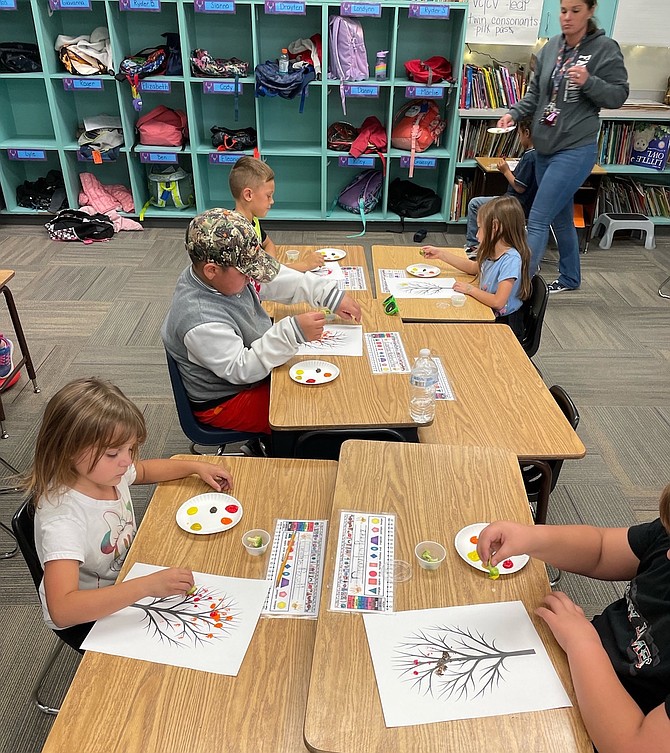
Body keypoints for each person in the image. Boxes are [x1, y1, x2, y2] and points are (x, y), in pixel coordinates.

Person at [28, 377, 234, 646]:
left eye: (130, 449)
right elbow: (63, 610)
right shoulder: (64, 520)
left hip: (126, 575)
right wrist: (146, 587)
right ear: (67, 449)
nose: (126, 461)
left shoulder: (107, 474)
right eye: (113, 453)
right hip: (87, 615)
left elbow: (146, 470)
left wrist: (194, 467)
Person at [476, 482, 670, 753]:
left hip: (611, 720)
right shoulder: (667, 537)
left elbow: (631, 745)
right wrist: (531, 538)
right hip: (578, 660)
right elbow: (601, 550)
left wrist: (583, 642)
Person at [161, 208, 362, 442]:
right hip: (227, 399)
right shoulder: (200, 320)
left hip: (252, 371)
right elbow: (242, 369)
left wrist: (327, 294)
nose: (252, 277)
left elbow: (273, 280)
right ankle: (282, 449)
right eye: (246, 272)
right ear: (212, 270)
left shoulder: (218, 276)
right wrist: (291, 333)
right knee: (312, 413)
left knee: (331, 391)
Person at [497, 0, 628, 293]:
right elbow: (534, 94)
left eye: (576, 11)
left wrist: (589, 81)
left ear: (591, 10)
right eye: (563, 10)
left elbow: (618, 95)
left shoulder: (605, 49)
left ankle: (519, 290)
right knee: (561, 218)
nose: (567, 18)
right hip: (545, 147)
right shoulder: (552, 47)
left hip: (574, 149)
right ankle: (570, 278)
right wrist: (514, 113)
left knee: (539, 217)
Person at [423, 195, 531, 338]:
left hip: (505, 325)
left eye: (480, 228)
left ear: (495, 227)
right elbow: (474, 268)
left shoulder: (511, 260)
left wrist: (470, 289)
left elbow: (498, 302)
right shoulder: (491, 250)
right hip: (487, 311)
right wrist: (441, 254)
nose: (476, 234)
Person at [229, 156, 324, 273]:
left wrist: (270, 263)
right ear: (248, 195)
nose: (272, 201)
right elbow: (262, 276)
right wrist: (304, 265)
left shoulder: (252, 221)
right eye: (268, 196)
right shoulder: (238, 235)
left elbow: (268, 244)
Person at [465, 118, 537, 259]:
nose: (519, 138)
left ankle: (474, 246)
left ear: (526, 133)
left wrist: (505, 171)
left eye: (519, 134)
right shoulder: (539, 154)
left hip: (514, 203)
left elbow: (519, 187)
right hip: (524, 203)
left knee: (475, 204)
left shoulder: (530, 157)